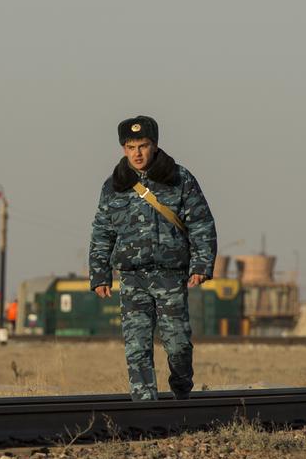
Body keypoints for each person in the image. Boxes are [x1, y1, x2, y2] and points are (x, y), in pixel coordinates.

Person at [88, 115, 217, 400]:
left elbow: (201, 223)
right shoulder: (114, 186)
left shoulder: (179, 179)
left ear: (155, 145)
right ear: (123, 149)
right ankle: (145, 406)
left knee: (178, 343)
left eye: (143, 146)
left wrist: (201, 264)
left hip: (170, 274)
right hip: (132, 277)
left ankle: (182, 388)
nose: (137, 153)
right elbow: (102, 232)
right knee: (137, 347)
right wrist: (99, 274)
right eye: (130, 147)